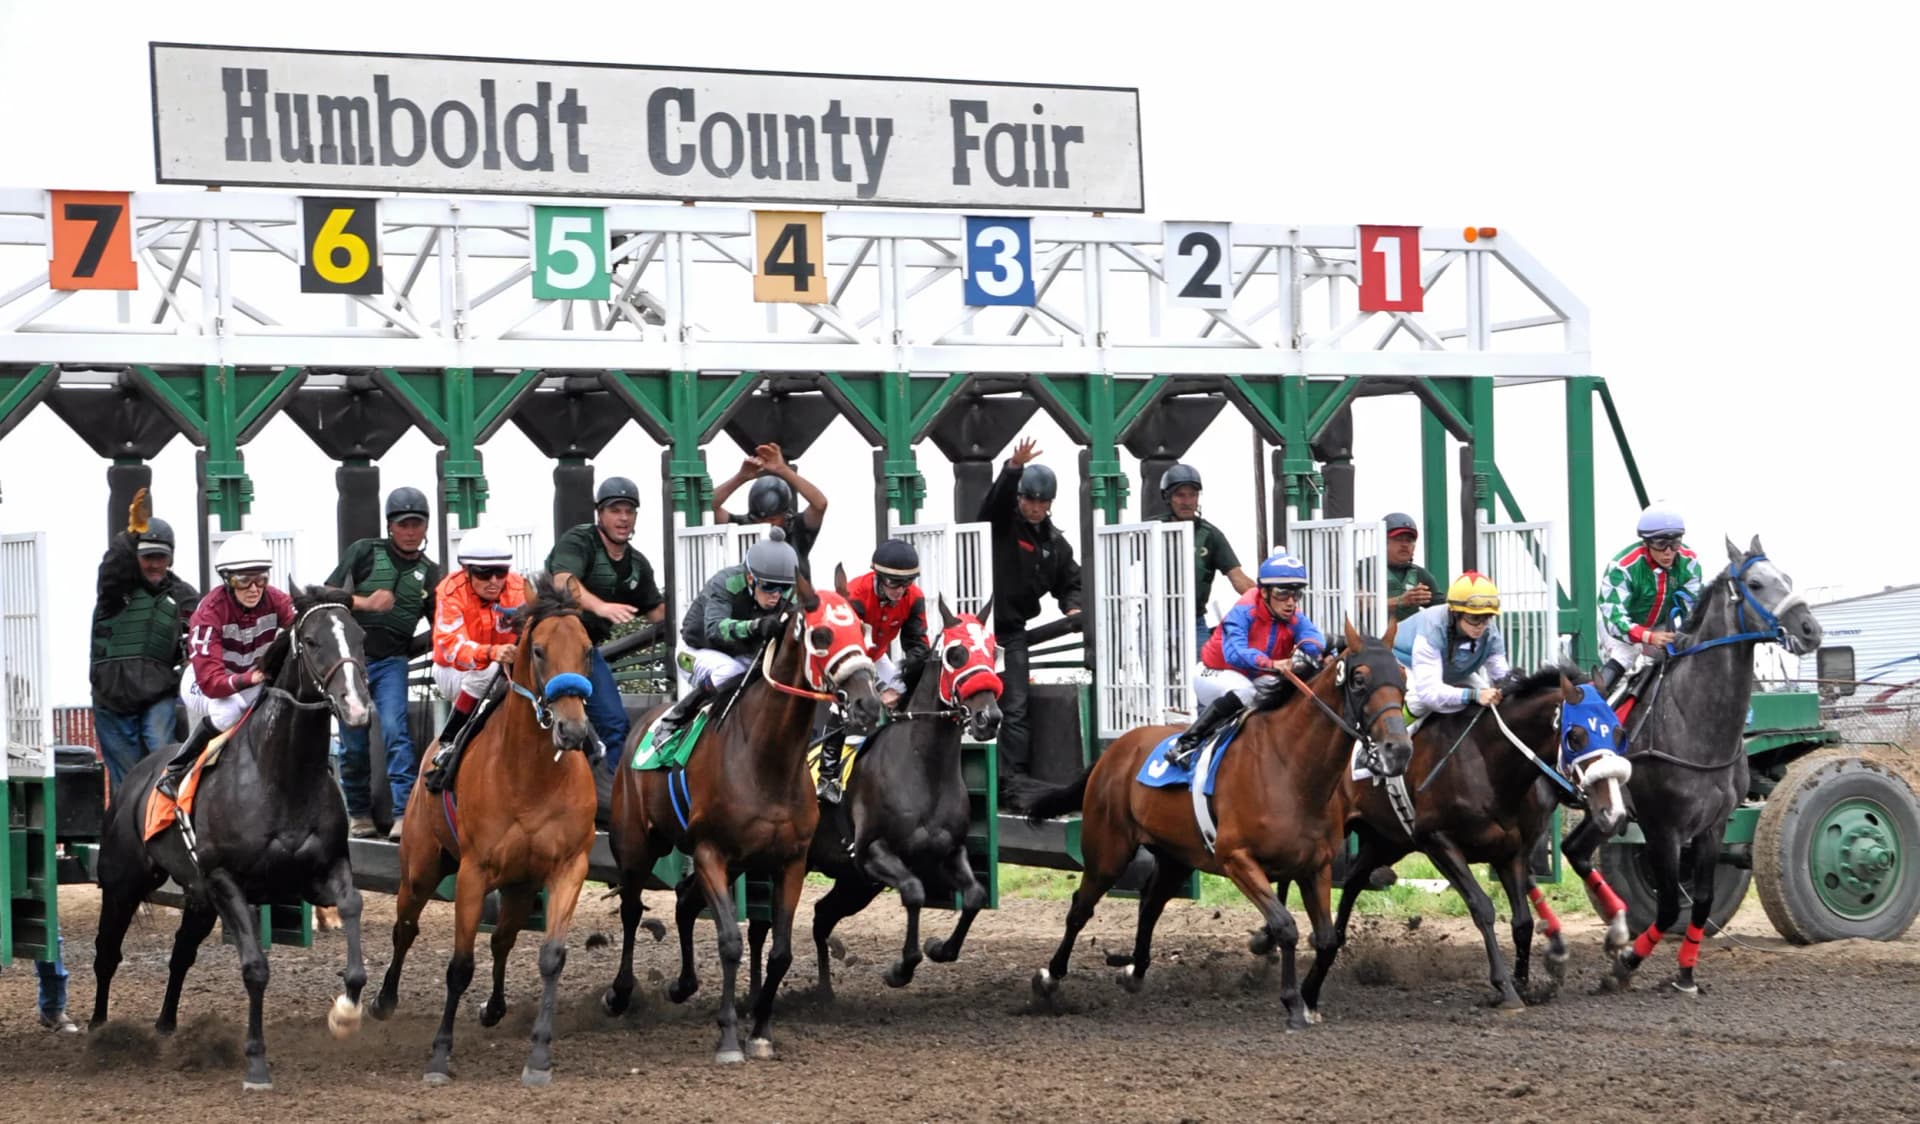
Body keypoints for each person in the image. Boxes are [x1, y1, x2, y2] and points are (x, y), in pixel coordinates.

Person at [327, 487, 442, 839]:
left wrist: (415, 646)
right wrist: (364, 604)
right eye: (403, 524)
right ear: (390, 526)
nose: (410, 531)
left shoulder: (431, 572)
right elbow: (328, 593)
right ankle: (358, 813)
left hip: (393, 661)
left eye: (417, 524)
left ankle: (403, 814)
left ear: (425, 528)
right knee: (354, 739)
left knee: (395, 731)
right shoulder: (364, 552)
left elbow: (440, 624)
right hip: (353, 663)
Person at [157, 533, 296, 801]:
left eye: (261, 578)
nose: (254, 588)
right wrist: (247, 679)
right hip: (205, 683)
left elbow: (303, 626)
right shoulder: (209, 612)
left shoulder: (276, 600)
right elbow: (210, 681)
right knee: (229, 711)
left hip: (250, 679)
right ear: (227, 580)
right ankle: (177, 769)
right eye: (244, 580)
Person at [979, 437, 1082, 788]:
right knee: (973, 701)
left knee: (1016, 707)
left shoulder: (1056, 545)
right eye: (1029, 499)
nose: (1035, 507)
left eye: (1042, 501)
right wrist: (1012, 469)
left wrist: (1073, 605)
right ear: (1020, 499)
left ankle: (1012, 779)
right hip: (980, 633)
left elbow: (1072, 580)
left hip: (1012, 633)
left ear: (1050, 504)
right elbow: (993, 505)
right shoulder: (1002, 526)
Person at [546, 475, 667, 768]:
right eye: (615, 510)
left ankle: (620, 805)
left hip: (587, 652)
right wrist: (600, 607)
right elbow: (563, 581)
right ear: (600, 513)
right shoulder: (579, 540)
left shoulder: (637, 564)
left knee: (616, 726)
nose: (623, 518)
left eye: (629, 511)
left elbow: (657, 611)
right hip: (550, 649)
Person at [1170, 550, 1325, 767]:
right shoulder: (1244, 610)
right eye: (1282, 593)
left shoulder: (1291, 615)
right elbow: (1236, 653)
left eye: (1296, 594)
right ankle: (1186, 743)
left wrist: (1324, 654)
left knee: (1286, 691)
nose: (1290, 602)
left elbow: (1312, 637)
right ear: (1264, 592)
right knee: (1246, 691)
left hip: (1253, 675)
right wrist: (1271, 663)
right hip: (1214, 672)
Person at [89, 487, 197, 791]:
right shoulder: (114, 591)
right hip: (112, 698)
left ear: (170, 559)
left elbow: (198, 640)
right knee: (128, 783)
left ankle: (165, 823)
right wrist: (129, 536)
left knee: (162, 762)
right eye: (147, 557)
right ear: (136, 558)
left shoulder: (184, 596)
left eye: (160, 557)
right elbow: (112, 568)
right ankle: (133, 834)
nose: (153, 564)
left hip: (157, 695)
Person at [652, 531, 800, 741]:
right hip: (695, 651)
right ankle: (676, 717)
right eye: (768, 586)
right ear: (751, 578)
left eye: (783, 587)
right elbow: (714, 628)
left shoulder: (786, 598)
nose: (776, 594)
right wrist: (756, 626)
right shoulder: (724, 582)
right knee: (730, 671)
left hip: (739, 654)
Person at [820, 538, 932, 801]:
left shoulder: (914, 598)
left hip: (877, 656)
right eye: (893, 582)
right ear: (878, 577)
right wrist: (877, 688)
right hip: (848, 659)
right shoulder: (855, 594)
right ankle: (828, 778)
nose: (900, 590)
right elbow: (851, 649)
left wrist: (899, 687)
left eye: (907, 583)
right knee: (842, 705)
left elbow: (918, 648)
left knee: (913, 691)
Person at [421, 528, 528, 794]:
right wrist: (491, 653)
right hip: (453, 670)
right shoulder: (449, 591)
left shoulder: (518, 588)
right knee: (484, 671)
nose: (494, 581)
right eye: (483, 573)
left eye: (500, 572)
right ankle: (450, 739)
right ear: (467, 570)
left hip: (503, 668)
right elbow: (453, 648)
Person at [1597, 502, 1703, 693]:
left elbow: (1693, 608)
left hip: (1661, 625)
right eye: (1661, 544)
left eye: (1675, 543)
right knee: (1626, 656)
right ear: (1646, 542)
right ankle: (1591, 705)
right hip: (1621, 627)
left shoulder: (1689, 563)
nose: (1669, 551)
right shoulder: (1622, 568)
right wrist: (1647, 636)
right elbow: (1613, 617)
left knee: (1689, 652)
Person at [1157, 464, 1252, 656]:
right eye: (1180, 495)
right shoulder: (1152, 530)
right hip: (1155, 621)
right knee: (1158, 680)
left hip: (1194, 621)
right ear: (1167, 497)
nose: (1187, 501)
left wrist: (1269, 598)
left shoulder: (1210, 535)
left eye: (1193, 495)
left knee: (1199, 677)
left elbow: (1238, 578)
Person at [1394, 572, 1511, 719]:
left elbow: (1502, 676)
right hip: (1404, 664)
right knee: (1418, 701)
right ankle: (1382, 740)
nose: (1481, 626)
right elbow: (1429, 693)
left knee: (1492, 701)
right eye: (1474, 618)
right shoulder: (1433, 626)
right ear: (1455, 613)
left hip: (1448, 671)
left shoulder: (1490, 631)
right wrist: (1474, 694)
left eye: (1487, 617)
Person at [713, 442, 828, 568]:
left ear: (784, 515)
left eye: (772, 519)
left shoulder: (796, 528)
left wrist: (782, 469)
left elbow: (820, 504)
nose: (767, 526)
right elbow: (710, 507)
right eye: (761, 520)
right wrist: (741, 477)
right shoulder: (743, 528)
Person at [1381, 512, 1440, 622]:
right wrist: (1401, 601)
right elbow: (1357, 604)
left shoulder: (1421, 575)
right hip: (1369, 637)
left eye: (1409, 540)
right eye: (1398, 538)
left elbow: (1442, 610)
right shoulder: (1366, 569)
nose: (1405, 544)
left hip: (1408, 637)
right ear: (1383, 541)